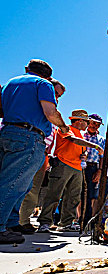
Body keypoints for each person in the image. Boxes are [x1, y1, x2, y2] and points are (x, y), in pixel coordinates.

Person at [0, 59, 69, 244]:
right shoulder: (43, 84)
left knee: (19, 183)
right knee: (13, 184)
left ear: (26, 69)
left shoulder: (9, 84)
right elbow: (50, 112)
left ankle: (12, 223)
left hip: (8, 132)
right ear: (48, 76)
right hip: (29, 136)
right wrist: (62, 127)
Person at [37, 110, 104, 233]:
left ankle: (66, 223)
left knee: (73, 197)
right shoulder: (66, 129)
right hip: (63, 164)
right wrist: (94, 146)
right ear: (79, 121)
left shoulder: (81, 134)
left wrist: (83, 155)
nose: (87, 124)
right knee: (54, 194)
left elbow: (80, 148)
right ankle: (45, 222)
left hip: (77, 167)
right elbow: (73, 140)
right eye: (86, 122)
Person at [15, 79, 66, 235]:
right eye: (56, 93)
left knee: (32, 189)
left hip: (42, 155)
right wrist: (64, 126)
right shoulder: (33, 108)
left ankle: (22, 222)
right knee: (16, 184)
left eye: (59, 96)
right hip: (26, 145)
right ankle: (11, 221)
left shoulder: (51, 116)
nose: (56, 98)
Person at [82, 114, 105, 226]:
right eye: (93, 123)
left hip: (93, 167)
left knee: (91, 195)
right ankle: (75, 219)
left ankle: (87, 221)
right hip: (79, 165)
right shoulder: (81, 135)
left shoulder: (101, 140)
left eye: (97, 124)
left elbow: (102, 157)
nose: (94, 126)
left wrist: (99, 170)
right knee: (77, 192)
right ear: (88, 123)